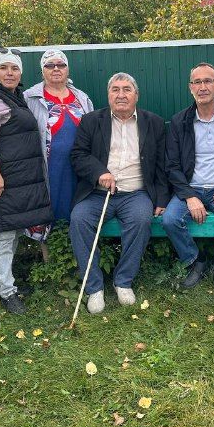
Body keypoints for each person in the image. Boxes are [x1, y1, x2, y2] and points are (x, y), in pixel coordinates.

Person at [69, 72, 168, 314]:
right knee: (79, 220)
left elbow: (162, 165)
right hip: (97, 193)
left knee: (141, 220)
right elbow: (78, 156)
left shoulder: (153, 122)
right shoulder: (92, 121)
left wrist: (162, 199)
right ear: (108, 94)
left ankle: (123, 281)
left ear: (137, 95)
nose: (121, 94)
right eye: (115, 90)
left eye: (127, 89)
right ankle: (94, 287)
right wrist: (99, 172)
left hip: (135, 193)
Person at [0, 49, 54, 313]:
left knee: (11, 231)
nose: (10, 73)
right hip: (1, 179)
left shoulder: (13, 96)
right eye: (4, 68)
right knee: (2, 236)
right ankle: (8, 293)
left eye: (14, 68)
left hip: (17, 180)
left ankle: (1, 284)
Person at [161, 62, 214, 290]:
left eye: (208, 81)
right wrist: (189, 195)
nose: (203, 86)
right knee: (169, 220)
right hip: (190, 188)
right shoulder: (179, 121)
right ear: (190, 87)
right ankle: (195, 261)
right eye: (197, 82)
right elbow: (172, 165)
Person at [24, 49, 94, 223]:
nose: (56, 68)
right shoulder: (30, 98)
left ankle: (75, 247)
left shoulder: (82, 98)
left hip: (78, 168)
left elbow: (93, 132)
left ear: (67, 70)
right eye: (50, 65)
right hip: (48, 168)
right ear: (42, 70)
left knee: (78, 211)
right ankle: (48, 249)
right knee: (47, 214)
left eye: (61, 65)